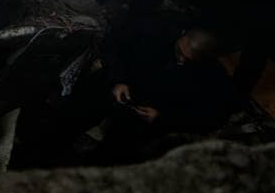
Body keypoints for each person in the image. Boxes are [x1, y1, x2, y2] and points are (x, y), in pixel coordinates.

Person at [94, 23, 238, 163]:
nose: (181, 59)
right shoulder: (156, 32)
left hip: (150, 120)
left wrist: (163, 118)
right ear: (182, 35)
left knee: (120, 149)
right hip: (123, 88)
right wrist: (119, 80)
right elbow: (112, 44)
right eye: (180, 52)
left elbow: (213, 117)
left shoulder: (214, 77)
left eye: (189, 60)